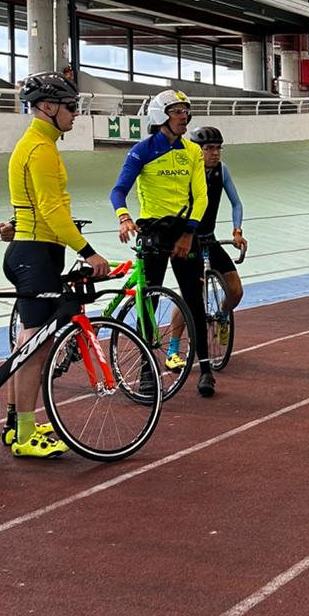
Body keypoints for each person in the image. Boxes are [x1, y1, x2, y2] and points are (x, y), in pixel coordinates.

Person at [3, 71, 111, 458]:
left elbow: (33, 203)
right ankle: (24, 434)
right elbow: (50, 209)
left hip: (32, 249)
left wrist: (16, 225)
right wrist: (88, 252)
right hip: (36, 254)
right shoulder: (41, 149)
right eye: (71, 106)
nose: (76, 114)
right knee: (36, 345)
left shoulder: (35, 144)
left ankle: (19, 425)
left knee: (30, 342)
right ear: (48, 107)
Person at [109, 89, 216, 397]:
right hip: (152, 232)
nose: (184, 116)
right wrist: (124, 217)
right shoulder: (142, 150)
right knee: (148, 301)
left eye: (186, 110)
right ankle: (145, 369)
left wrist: (189, 233)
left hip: (184, 230)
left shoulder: (193, 152)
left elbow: (202, 197)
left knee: (194, 299)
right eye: (177, 111)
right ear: (161, 116)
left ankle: (206, 368)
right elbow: (118, 190)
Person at [162, 125, 247, 366]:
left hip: (208, 238)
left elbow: (236, 203)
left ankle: (221, 317)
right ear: (197, 150)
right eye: (209, 148)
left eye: (218, 148)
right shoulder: (185, 171)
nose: (215, 153)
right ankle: (173, 351)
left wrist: (237, 231)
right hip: (187, 242)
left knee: (236, 290)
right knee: (190, 296)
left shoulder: (222, 170)